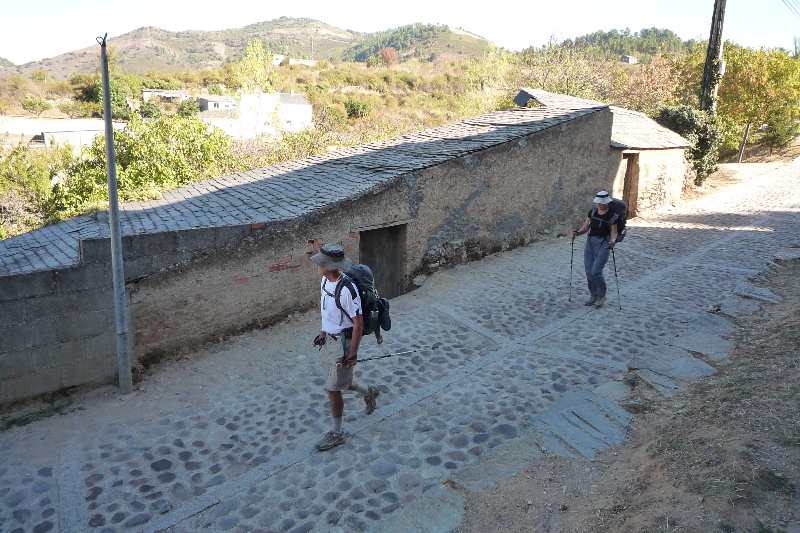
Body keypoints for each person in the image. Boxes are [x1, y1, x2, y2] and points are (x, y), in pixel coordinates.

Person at [310, 243, 379, 451]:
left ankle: (337, 433)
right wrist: (323, 332)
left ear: (329, 266)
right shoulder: (324, 281)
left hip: (344, 343)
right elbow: (327, 311)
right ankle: (369, 392)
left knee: (332, 389)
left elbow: (358, 323)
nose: (318, 266)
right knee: (343, 382)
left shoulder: (347, 289)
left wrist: (353, 353)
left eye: (321, 263)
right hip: (330, 340)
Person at [572, 190, 618, 308]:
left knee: (596, 271)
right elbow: (586, 226)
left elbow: (614, 232)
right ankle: (593, 295)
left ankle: (602, 296)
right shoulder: (592, 212)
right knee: (588, 272)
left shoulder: (612, 216)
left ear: (606, 203)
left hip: (604, 244)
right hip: (590, 243)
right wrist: (578, 232)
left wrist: (612, 241)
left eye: (602, 203)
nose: (600, 205)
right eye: (599, 202)